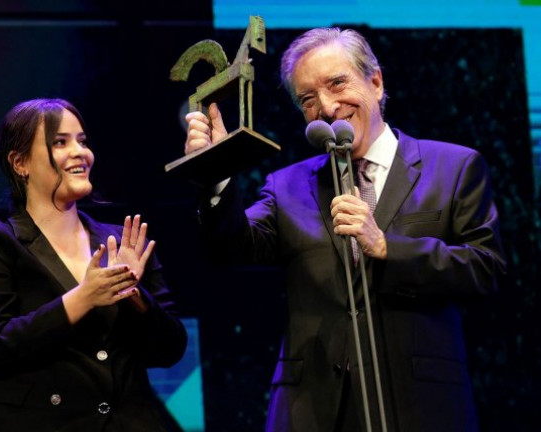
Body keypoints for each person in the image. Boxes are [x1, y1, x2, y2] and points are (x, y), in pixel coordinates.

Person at [183, 27, 506, 431]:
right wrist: (216, 173)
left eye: (337, 83)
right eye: (307, 99)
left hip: (420, 404)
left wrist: (388, 247)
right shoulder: (287, 187)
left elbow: (485, 269)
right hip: (314, 409)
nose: (328, 107)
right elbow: (229, 248)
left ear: (375, 81)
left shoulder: (454, 168)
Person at [0, 98, 188, 432]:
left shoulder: (122, 243)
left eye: (82, 140)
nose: (80, 152)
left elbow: (170, 350)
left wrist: (133, 294)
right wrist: (83, 298)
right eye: (60, 142)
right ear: (20, 163)